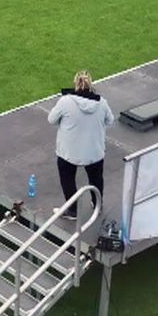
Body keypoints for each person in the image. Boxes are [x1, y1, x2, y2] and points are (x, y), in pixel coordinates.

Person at [47, 70, 114, 219]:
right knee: (96, 178)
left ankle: (72, 210)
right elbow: (110, 120)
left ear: (75, 84)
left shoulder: (65, 101)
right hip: (94, 152)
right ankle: (97, 203)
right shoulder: (101, 103)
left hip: (69, 153)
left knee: (67, 177)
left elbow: (51, 119)